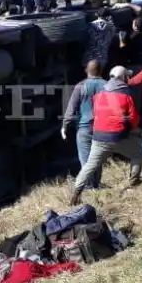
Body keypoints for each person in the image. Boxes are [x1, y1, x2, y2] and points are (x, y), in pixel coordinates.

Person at [70, 65, 142, 203]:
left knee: (90, 165)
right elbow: (133, 120)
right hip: (118, 137)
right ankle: (134, 181)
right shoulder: (126, 96)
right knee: (138, 153)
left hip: (98, 137)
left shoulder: (99, 96)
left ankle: (76, 191)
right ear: (124, 78)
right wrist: (133, 130)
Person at [61, 60, 108, 188]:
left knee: (86, 160)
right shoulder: (107, 85)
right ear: (101, 70)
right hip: (102, 128)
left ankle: (89, 187)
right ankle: (96, 185)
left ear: (86, 70)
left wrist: (65, 126)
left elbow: (71, 108)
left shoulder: (80, 86)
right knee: (97, 158)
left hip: (85, 127)